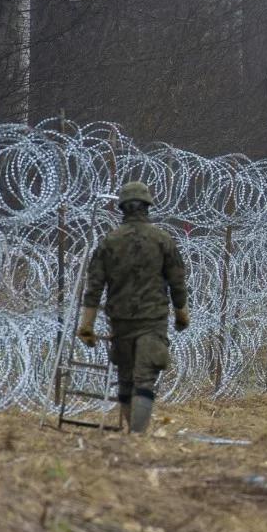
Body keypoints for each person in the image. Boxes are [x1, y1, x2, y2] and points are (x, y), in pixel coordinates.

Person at [77, 181, 189, 433]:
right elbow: (177, 282)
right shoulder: (162, 240)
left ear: (122, 208)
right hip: (152, 319)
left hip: (120, 319)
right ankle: (138, 437)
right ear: (147, 207)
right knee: (144, 380)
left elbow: (94, 287)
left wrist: (87, 324)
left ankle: (133, 435)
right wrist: (182, 314)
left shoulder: (110, 242)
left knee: (126, 380)